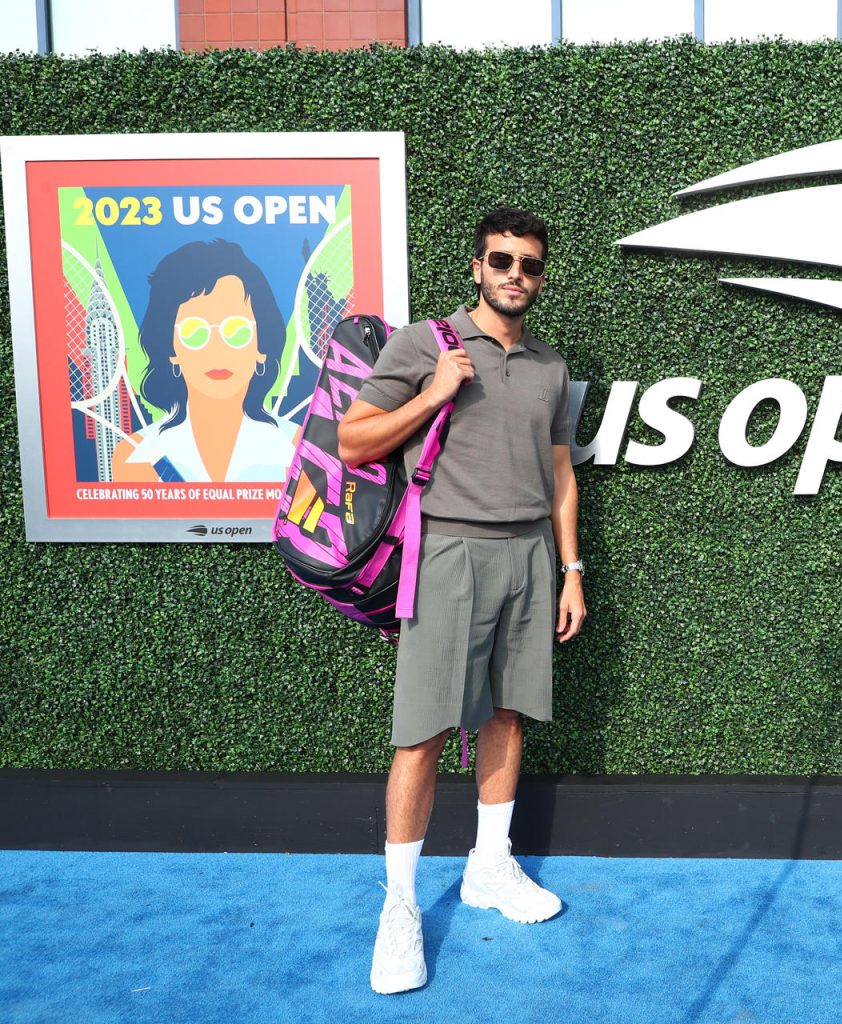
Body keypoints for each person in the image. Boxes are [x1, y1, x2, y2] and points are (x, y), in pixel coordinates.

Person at [337, 207, 587, 995]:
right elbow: (354, 440)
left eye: (531, 265)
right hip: (447, 550)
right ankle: (401, 909)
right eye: (503, 260)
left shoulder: (549, 365)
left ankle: (488, 867)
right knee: (424, 732)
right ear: (476, 266)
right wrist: (435, 392)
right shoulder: (424, 344)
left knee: (507, 714)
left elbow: (560, 475)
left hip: (529, 556)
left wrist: (571, 568)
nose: (517, 274)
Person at [112, 239, 296, 483]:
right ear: (171, 349)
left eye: (236, 330)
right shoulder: (134, 456)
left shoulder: (300, 449)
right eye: (194, 332)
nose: (217, 349)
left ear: (261, 345)